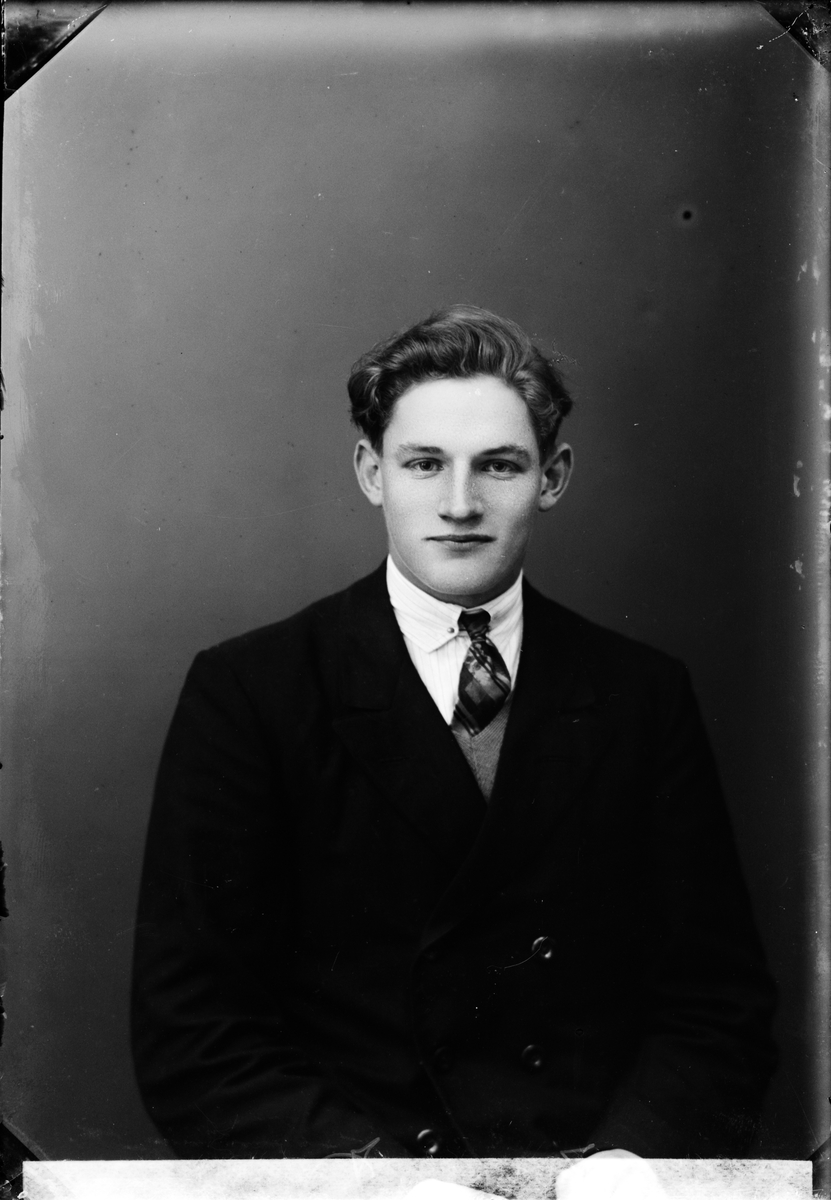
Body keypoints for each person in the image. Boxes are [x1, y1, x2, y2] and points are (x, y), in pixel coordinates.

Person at [131, 305, 776, 1170]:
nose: (460, 504)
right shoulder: (252, 690)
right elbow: (192, 1034)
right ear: (372, 472)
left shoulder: (641, 694)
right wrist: (388, 1187)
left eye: (499, 465)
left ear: (552, 477)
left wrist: (628, 1171)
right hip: (364, 1183)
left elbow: (717, 1007)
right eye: (424, 463)